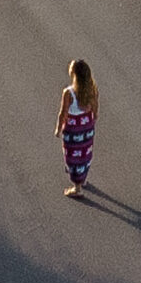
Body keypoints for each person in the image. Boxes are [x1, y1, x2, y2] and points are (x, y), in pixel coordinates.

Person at [58, 57, 99, 198]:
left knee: (73, 156)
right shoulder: (92, 90)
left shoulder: (68, 93)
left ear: (74, 74)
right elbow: (95, 109)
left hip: (73, 128)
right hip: (87, 126)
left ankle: (77, 187)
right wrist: (92, 121)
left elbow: (63, 113)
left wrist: (58, 128)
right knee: (84, 154)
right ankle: (83, 177)